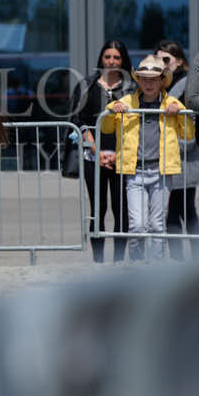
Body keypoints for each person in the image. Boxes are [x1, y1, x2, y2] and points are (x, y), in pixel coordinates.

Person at [102, 54, 194, 262]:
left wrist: (180, 112)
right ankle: (136, 264)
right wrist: (111, 109)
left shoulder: (172, 103)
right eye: (144, 78)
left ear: (162, 80)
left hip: (161, 171)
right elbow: (106, 128)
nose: (149, 83)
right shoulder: (126, 102)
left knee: (157, 225)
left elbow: (188, 134)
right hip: (134, 172)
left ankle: (156, 267)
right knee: (137, 225)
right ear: (138, 80)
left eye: (153, 79)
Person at [69, 41, 134, 262]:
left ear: (123, 60)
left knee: (121, 208)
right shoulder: (86, 85)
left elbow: (136, 122)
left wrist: (117, 153)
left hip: (122, 156)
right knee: (98, 208)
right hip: (92, 156)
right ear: (101, 59)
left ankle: (118, 260)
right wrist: (97, 152)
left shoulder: (131, 87)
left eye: (116, 57)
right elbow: (77, 120)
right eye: (108, 57)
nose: (112, 62)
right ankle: (98, 260)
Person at [155, 40, 199, 260]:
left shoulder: (186, 85)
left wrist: (172, 143)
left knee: (183, 210)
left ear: (180, 61)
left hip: (185, 158)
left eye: (166, 59)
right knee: (175, 211)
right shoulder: (160, 85)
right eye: (158, 60)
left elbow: (192, 126)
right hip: (169, 157)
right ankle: (180, 261)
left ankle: (194, 260)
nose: (162, 64)